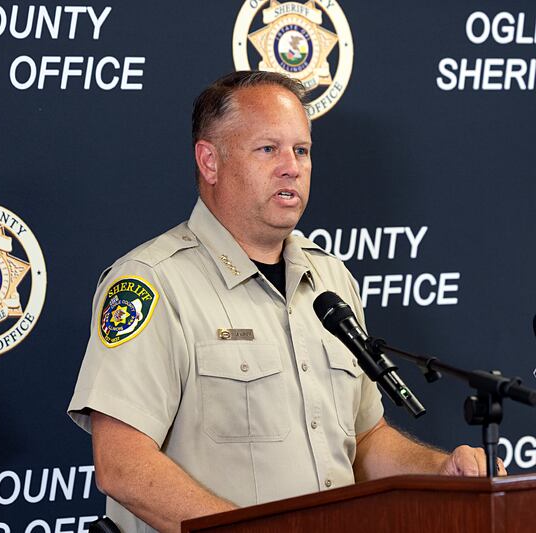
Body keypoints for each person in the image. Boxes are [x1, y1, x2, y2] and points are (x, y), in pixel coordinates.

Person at [67, 71, 506, 533]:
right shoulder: (153, 283)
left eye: (301, 151)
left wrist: (437, 472)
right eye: (268, 149)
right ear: (209, 161)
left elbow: (365, 440)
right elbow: (123, 465)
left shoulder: (330, 279)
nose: (291, 167)